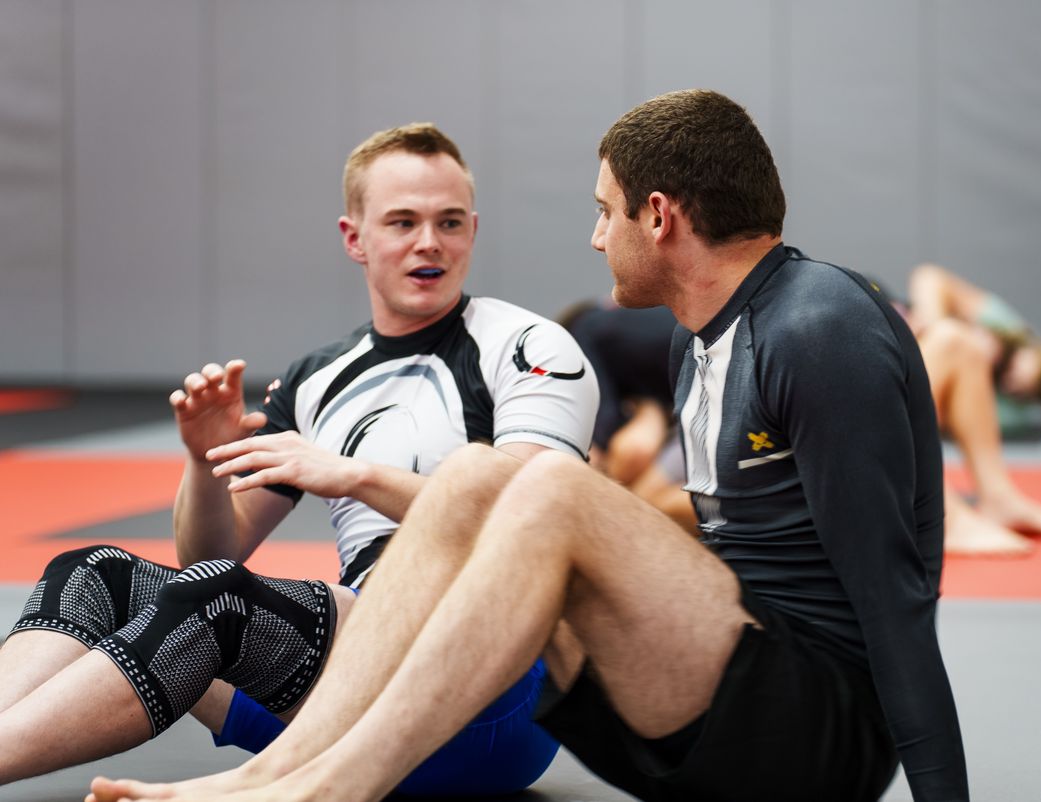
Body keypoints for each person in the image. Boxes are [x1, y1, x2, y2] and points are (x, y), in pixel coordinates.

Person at [88, 89, 968, 802]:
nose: (597, 237)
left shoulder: (818, 324)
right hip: (718, 697)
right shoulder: (695, 342)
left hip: (818, 737)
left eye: (605, 211)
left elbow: (893, 601)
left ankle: (330, 789)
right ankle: (283, 770)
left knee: (546, 485)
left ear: (659, 216)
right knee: (476, 473)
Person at [0, 123, 599, 796]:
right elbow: (209, 556)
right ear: (354, 238)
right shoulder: (316, 380)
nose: (429, 242)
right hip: (345, 691)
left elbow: (533, 519)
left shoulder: (528, 346)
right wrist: (203, 462)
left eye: (450, 222)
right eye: (403, 222)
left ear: (473, 230)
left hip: (493, 699)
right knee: (93, 575)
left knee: (220, 602)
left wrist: (354, 476)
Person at [899, 263, 1041, 555]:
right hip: (872, 375)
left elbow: (943, 417)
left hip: (895, 375)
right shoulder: (1005, 327)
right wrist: (935, 325)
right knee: (955, 339)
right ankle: (945, 519)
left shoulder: (1006, 409)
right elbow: (928, 277)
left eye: (1022, 389)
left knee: (963, 347)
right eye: (1014, 367)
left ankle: (998, 498)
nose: (1014, 379)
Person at [559, 300, 697, 531]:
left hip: (721, 386)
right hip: (719, 379)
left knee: (639, 501)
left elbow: (615, 442)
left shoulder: (581, 337)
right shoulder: (623, 329)